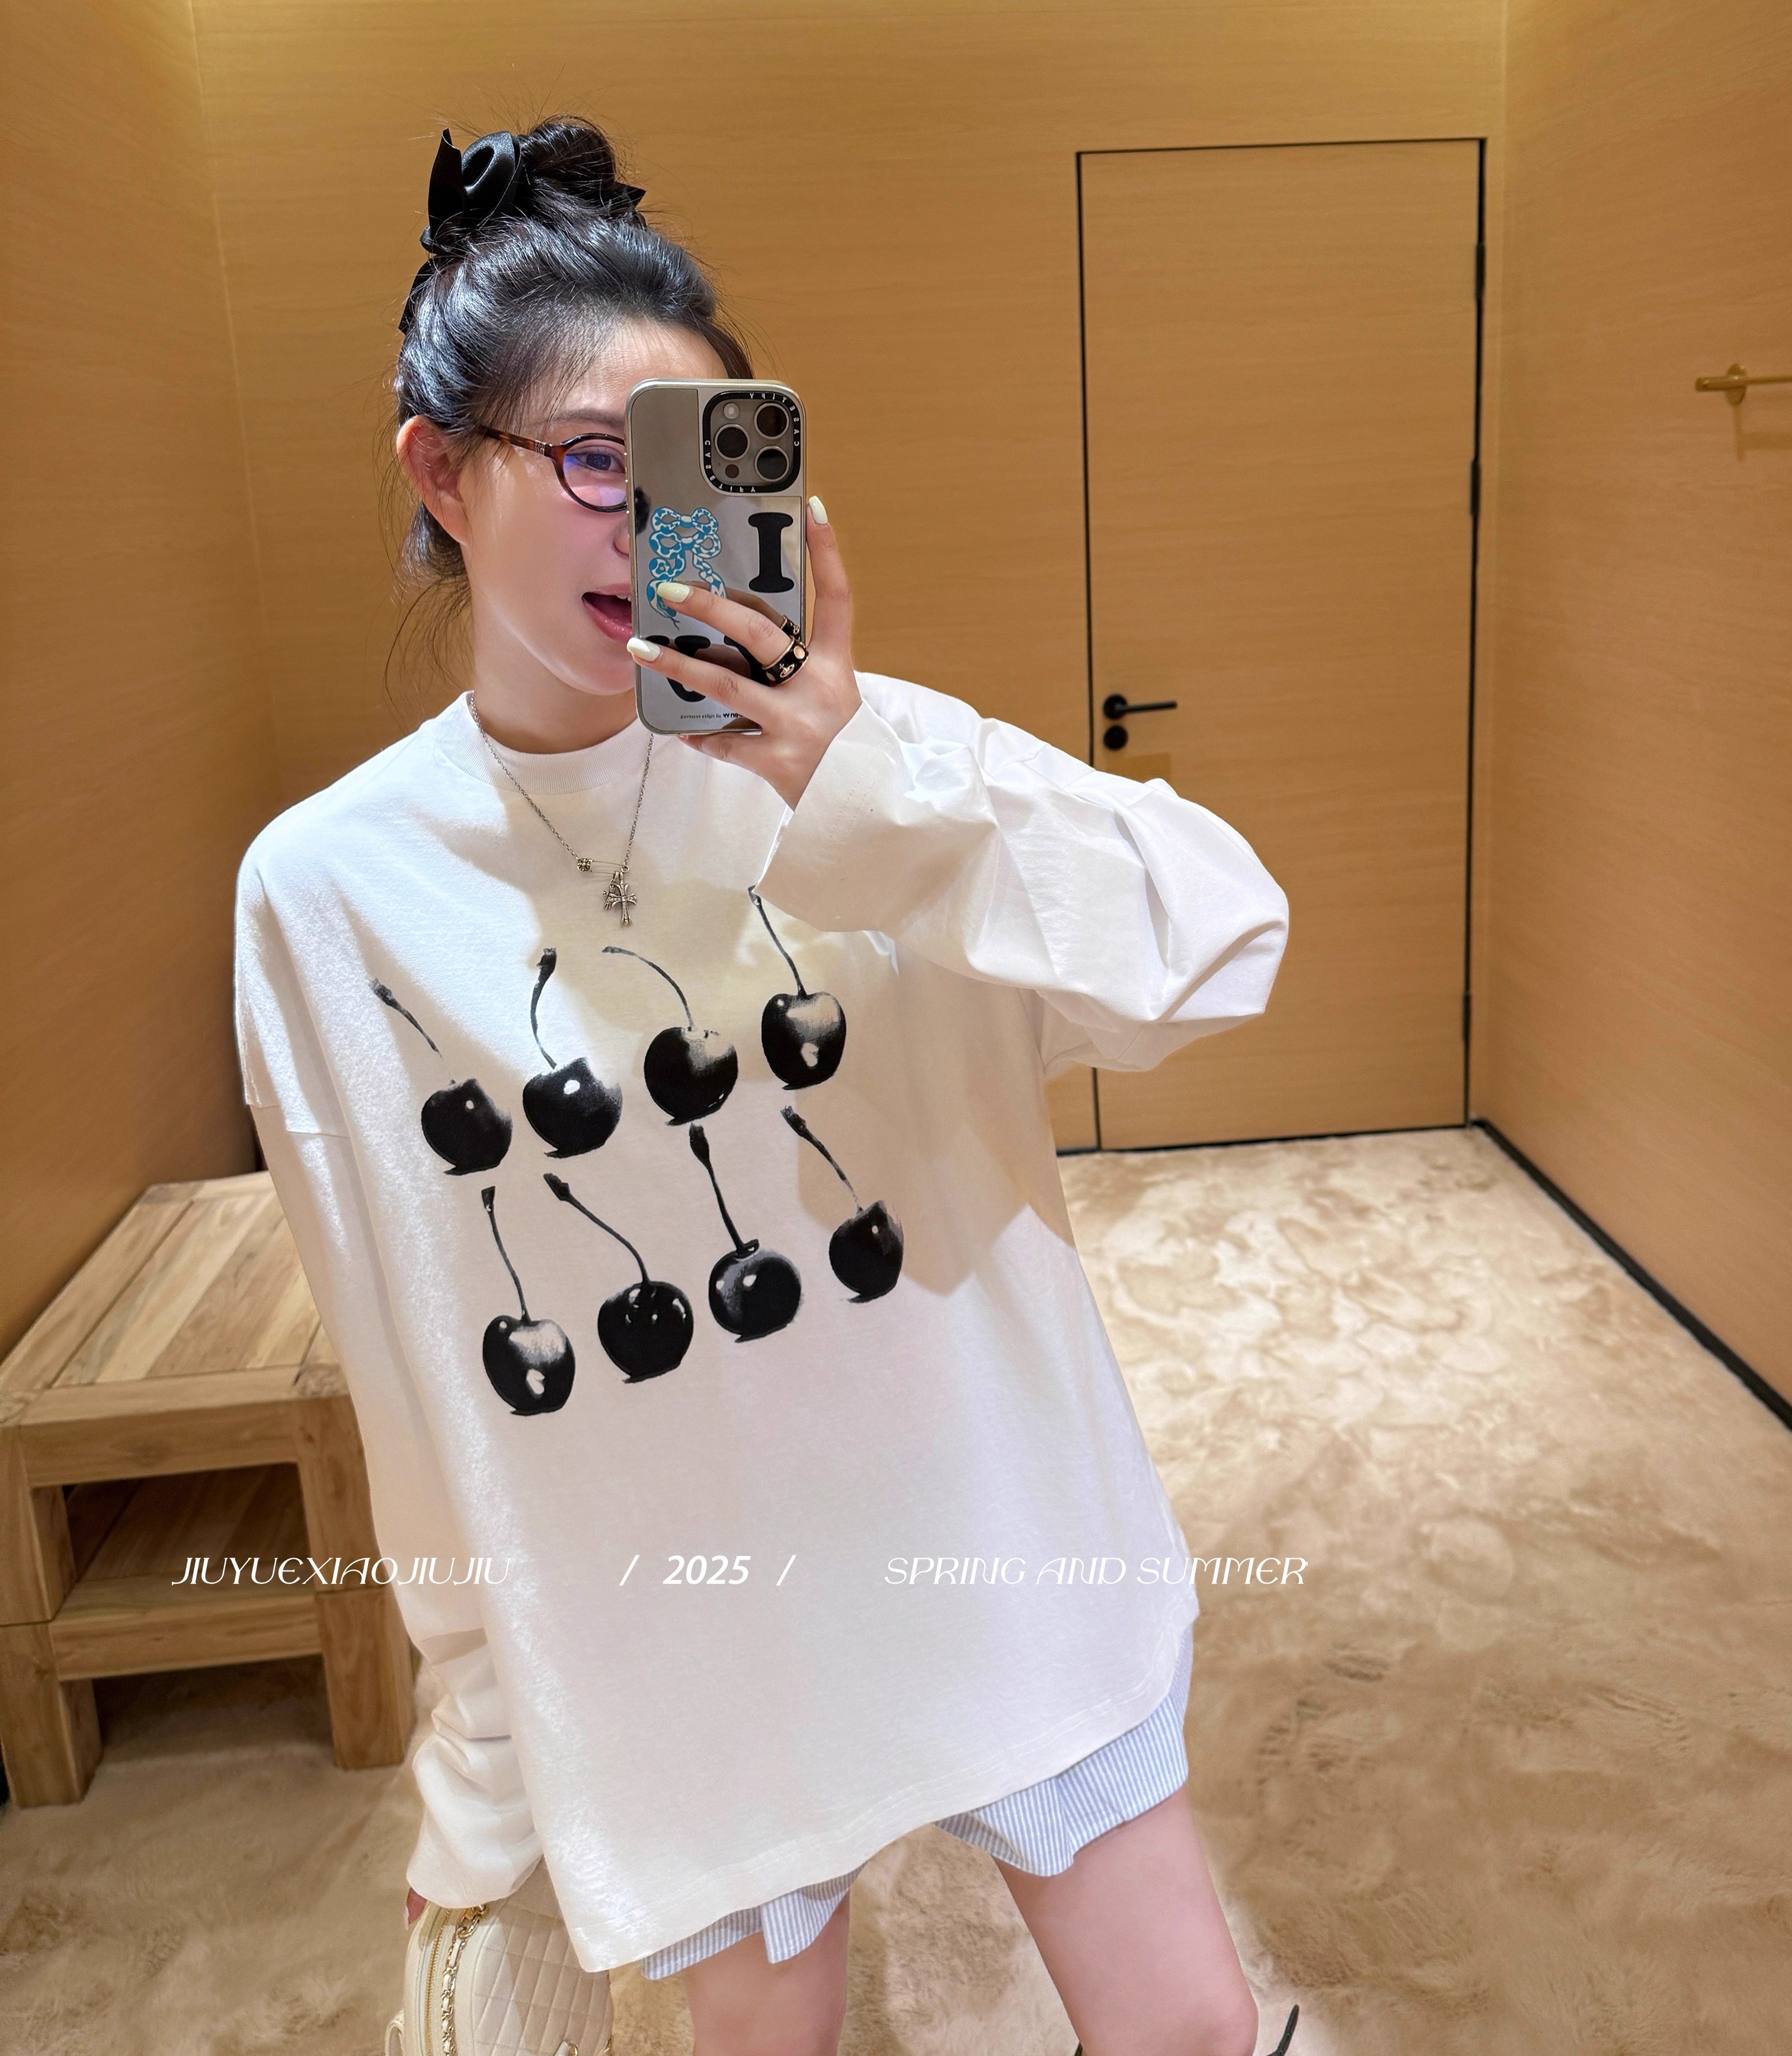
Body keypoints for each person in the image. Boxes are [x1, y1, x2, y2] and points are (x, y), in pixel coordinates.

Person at [232, 114, 1289, 2056]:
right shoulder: (330, 890)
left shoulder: (863, 763)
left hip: (994, 1525)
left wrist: (863, 772)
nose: (645, 526)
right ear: (441, 475)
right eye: (592, 461)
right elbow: (414, 1344)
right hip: (682, 1616)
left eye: (698, 469)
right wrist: (482, 1742)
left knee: (1191, 2033)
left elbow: (1221, 943)